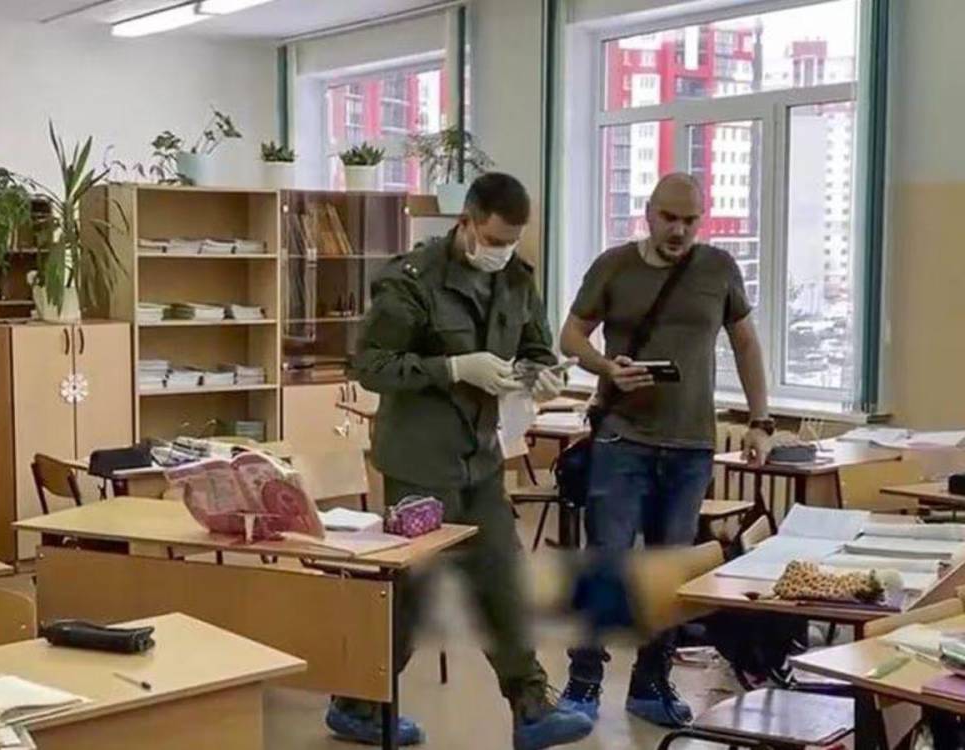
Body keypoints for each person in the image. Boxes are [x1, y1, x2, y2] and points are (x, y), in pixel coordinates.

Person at [327, 172, 594, 750]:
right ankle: (356, 703)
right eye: (494, 240)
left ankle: (530, 707)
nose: (502, 252)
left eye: (512, 241)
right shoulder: (412, 280)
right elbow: (370, 365)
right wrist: (451, 368)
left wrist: (541, 374)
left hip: (480, 459)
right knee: (412, 592)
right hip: (419, 462)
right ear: (466, 223)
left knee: (503, 579)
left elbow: (536, 346)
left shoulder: (516, 279)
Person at [557, 172, 774, 727]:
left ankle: (651, 683)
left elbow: (746, 344)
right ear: (648, 214)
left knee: (670, 571)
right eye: (669, 218)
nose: (679, 230)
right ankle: (583, 683)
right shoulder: (614, 266)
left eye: (690, 220)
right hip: (621, 439)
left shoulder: (718, 269)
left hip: (690, 445)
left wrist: (760, 421)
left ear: (702, 220)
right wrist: (607, 367)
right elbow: (571, 336)